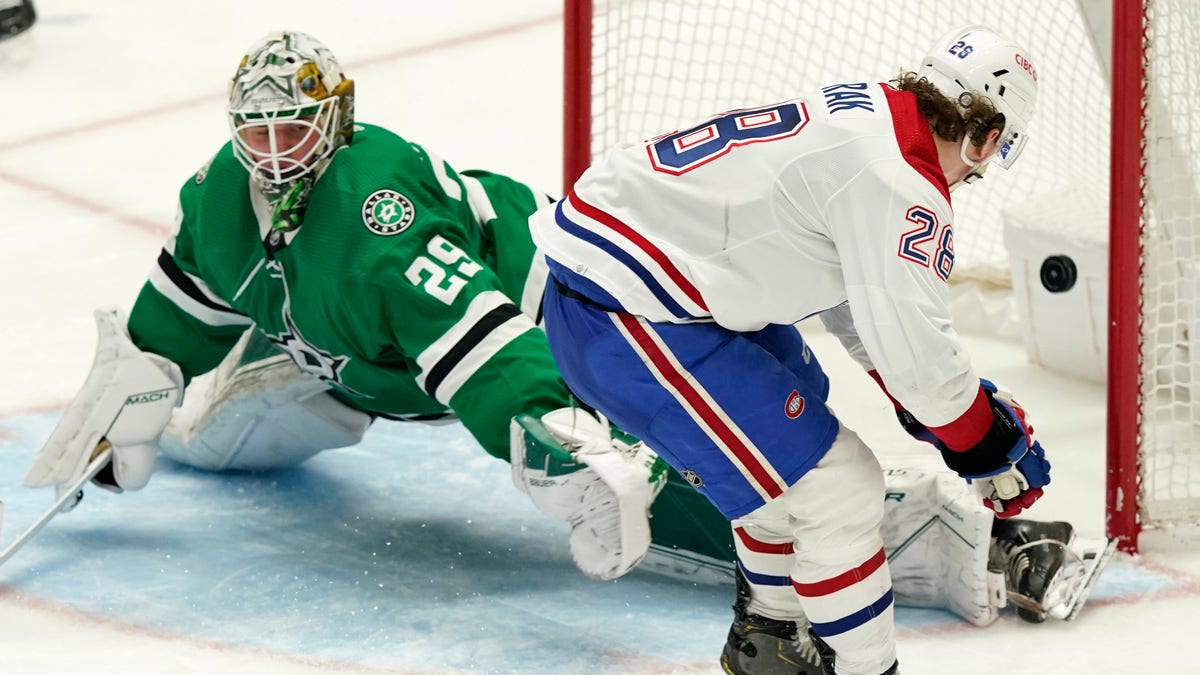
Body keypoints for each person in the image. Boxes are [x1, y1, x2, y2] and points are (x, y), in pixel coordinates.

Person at [21, 30, 667, 585]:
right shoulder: (218, 196)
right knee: (205, 442)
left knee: (648, 401)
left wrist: (563, 447)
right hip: (345, 365)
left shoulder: (378, 221)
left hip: (551, 305)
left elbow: (482, 345)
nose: (275, 152)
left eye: (295, 128)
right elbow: (174, 321)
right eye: (258, 130)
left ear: (337, 117)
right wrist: (122, 412)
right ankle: (263, 350)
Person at [531, 23, 1050, 675]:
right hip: (625, 312)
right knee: (836, 483)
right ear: (989, 135)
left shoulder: (865, 113)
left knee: (797, 435)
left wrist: (959, 422)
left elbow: (865, 308)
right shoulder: (904, 182)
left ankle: (769, 643)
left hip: (639, 284)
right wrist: (985, 437)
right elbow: (916, 358)